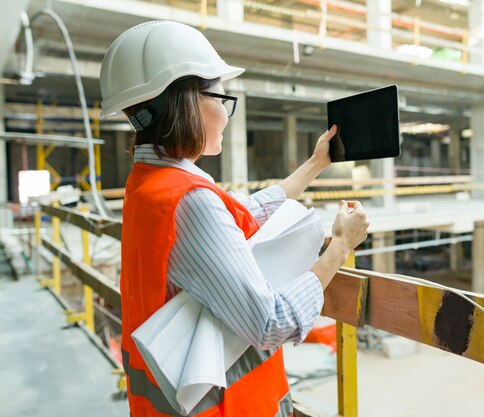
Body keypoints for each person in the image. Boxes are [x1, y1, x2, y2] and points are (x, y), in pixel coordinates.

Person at [100, 21, 369, 417]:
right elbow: (271, 323)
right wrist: (340, 246)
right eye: (222, 100)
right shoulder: (190, 201)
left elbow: (237, 212)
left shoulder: (150, 183)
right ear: (190, 102)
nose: (227, 115)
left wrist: (315, 164)